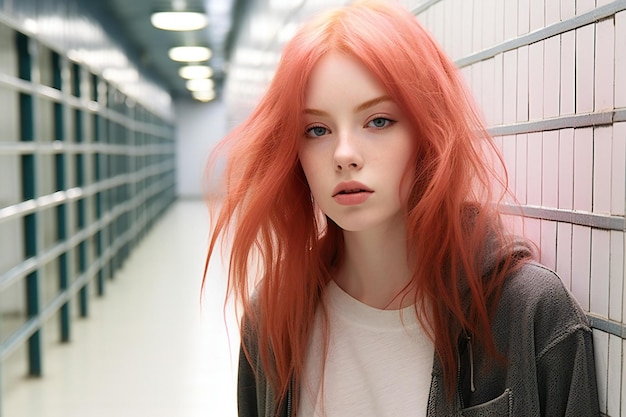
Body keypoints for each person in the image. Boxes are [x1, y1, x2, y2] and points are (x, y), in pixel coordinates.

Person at [204, 1, 600, 416]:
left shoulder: (528, 314)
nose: (344, 154)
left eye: (378, 121)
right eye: (316, 129)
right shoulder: (273, 314)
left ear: (428, 131)